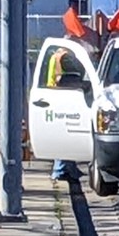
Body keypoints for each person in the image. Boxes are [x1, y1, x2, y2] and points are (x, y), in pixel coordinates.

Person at [45, 46, 83, 182]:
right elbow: (73, 75)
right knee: (65, 134)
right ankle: (59, 170)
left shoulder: (56, 55)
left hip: (55, 92)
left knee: (65, 134)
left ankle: (68, 168)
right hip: (62, 94)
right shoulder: (66, 56)